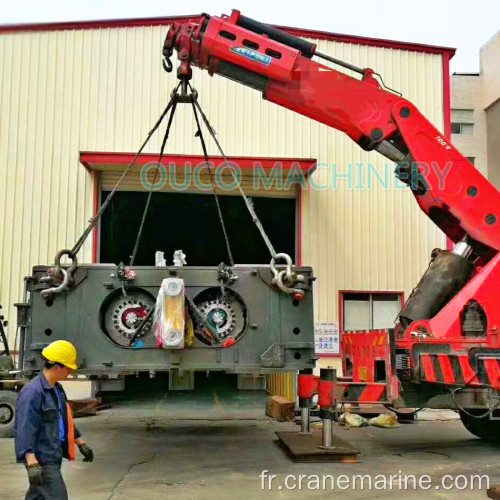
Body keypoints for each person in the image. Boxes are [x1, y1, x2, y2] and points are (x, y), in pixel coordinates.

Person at [15, 340, 94, 500]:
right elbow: (25, 428)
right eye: (68, 368)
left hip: (54, 453)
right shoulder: (33, 392)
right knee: (57, 496)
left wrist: (80, 442)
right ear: (56, 366)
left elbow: (64, 419)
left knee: (39, 496)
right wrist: (31, 462)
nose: (70, 371)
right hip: (42, 459)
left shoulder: (57, 389)